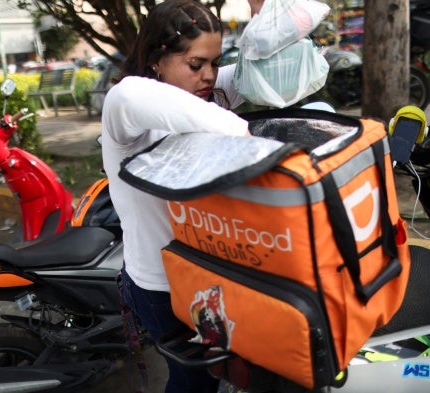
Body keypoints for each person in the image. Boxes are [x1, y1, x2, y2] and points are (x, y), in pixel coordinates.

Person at [100, 1, 262, 392]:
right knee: (194, 382)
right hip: (161, 287)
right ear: (158, 58)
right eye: (195, 64)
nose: (208, 76)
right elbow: (225, 125)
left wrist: (264, 18)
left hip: (208, 275)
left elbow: (271, 74)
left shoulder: (202, 90)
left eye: (214, 62)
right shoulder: (126, 104)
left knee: (217, 374)